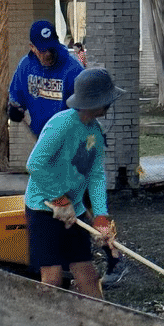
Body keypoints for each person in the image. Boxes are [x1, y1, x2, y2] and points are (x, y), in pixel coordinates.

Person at [22, 66, 118, 298]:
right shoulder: (62, 124)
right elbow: (35, 164)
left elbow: (95, 175)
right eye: (107, 99)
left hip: (73, 208)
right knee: (53, 279)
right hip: (43, 208)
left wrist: (101, 217)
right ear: (96, 102)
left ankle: (99, 324)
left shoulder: (95, 131)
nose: (110, 104)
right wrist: (59, 199)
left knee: (87, 275)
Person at [7, 19, 84, 143]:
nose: (48, 54)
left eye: (51, 48)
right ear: (32, 47)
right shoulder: (26, 67)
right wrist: (14, 108)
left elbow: (85, 109)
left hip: (68, 142)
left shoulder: (73, 69)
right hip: (39, 139)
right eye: (43, 50)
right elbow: (16, 97)